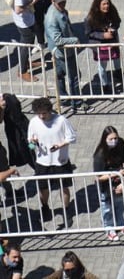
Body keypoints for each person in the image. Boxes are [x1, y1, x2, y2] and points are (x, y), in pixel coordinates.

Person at [28, 95, 76, 229]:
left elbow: (72, 137)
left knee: (63, 187)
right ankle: (45, 207)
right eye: (39, 114)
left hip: (60, 161)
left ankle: (66, 210)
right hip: (42, 162)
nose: (41, 116)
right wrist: (33, 142)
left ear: (49, 111)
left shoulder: (61, 120)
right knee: (43, 188)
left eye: (44, 113)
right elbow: (30, 141)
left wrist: (60, 145)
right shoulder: (34, 122)